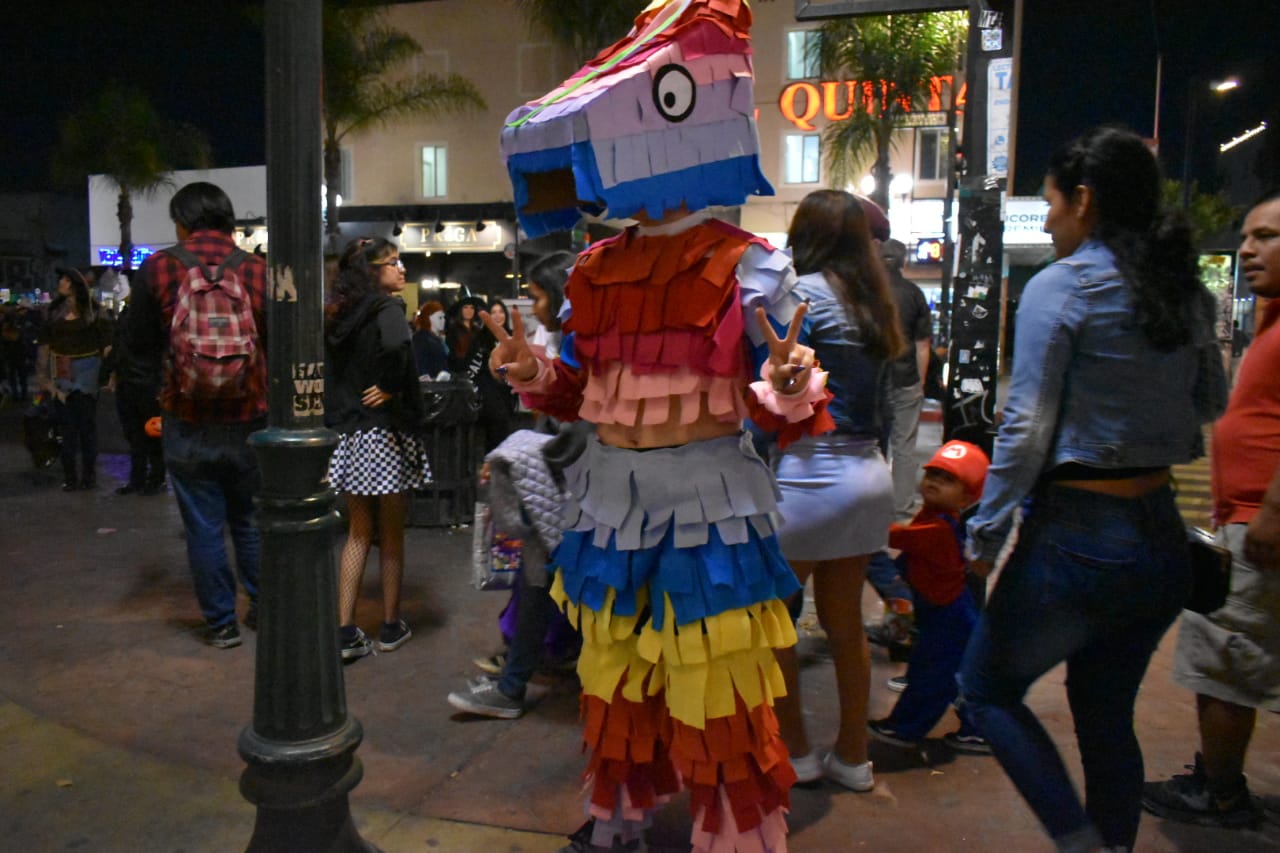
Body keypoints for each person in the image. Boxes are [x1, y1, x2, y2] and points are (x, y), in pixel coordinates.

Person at [957, 127, 1226, 853]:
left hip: (1078, 538)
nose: (1046, 219)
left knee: (984, 689)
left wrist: (983, 536)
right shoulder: (1185, 292)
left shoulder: (1063, 286)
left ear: (1084, 198)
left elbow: (1025, 429)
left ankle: (1080, 844)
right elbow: (1208, 401)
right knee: (1106, 714)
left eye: (1050, 201)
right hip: (1159, 539)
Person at [1142, 188, 1280, 829]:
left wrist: (1273, 511)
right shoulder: (1273, 318)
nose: (1249, 249)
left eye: (1267, 237)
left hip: (1263, 520)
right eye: (1248, 236)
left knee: (1225, 652)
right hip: (1249, 513)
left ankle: (1221, 791)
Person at [768, 190, 903, 793]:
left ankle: (794, 749)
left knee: (770, 620)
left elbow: (774, 389)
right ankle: (854, 756)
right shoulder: (876, 302)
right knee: (847, 621)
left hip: (808, 476)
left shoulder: (800, 296)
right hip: (869, 474)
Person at [124, 181, 268, 649]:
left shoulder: (159, 268)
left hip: (185, 417)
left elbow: (137, 351)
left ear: (182, 222)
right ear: (229, 221)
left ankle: (221, 623)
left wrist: (153, 408)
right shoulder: (257, 270)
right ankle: (262, 608)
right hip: (249, 417)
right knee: (249, 518)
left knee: (203, 526)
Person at [324, 237, 432, 661]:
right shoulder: (388, 308)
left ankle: (345, 630)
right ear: (373, 271)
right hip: (385, 435)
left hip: (351, 435)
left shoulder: (341, 314)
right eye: (392, 263)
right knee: (391, 534)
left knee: (356, 532)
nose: (401, 269)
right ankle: (390, 625)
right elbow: (395, 345)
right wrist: (389, 386)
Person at [867, 440, 991, 755]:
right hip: (946, 612)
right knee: (957, 678)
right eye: (932, 473)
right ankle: (977, 730)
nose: (934, 481)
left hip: (947, 617)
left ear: (967, 497)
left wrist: (856, 521)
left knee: (931, 676)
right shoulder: (934, 516)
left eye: (948, 479)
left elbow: (896, 537)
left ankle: (906, 728)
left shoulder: (937, 529)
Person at [36, 267, 112, 491]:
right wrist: (44, 379)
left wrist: (109, 374)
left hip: (88, 373)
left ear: (75, 285)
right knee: (66, 429)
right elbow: (44, 347)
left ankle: (88, 477)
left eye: (66, 279)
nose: (61, 282)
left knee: (86, 428)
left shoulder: (95, 312)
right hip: (62, 374)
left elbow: (107, 345)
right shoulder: (52, 313)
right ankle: (70, 477)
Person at [881, 237, 933, 518]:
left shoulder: (866, 293)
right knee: (904, 446)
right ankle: (901, 507)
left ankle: (871, 505)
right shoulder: (914, 293)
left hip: (872, 380)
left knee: (872, 444)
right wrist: (920, 382)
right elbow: (922, 346)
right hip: (906, 377)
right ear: (903, 262)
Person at [106, 299, 165, 495]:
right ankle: (139, 478)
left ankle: (155, 477)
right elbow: (118, 346)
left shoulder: (152, 316)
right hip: (130, 380)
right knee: (134, 434)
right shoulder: (127, 315)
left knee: (151, 433)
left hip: (146, 381)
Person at [466, 298, 520, 453]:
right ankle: (492, 463)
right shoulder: (481, 338)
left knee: (505, 427)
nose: (497, 316)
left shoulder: (512, 337)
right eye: (493, 312)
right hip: (488, 388)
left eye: (501, 312)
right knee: (497, 425)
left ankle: (499, 464)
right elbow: (474, 366)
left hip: (508, 390)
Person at [445, 296, 483, 373]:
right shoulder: (453, 329)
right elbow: (452, 352)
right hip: (459, 370)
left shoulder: (477, 330)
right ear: (460, 310)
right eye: (465, 307)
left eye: (472, 308)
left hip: (477, 369)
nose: (469, 310)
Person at [411, 299, 448, 378]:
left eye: (443, 317)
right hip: (431, 383)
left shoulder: (436, 338)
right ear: (428, 318)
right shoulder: (421, 338)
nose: (443, 320)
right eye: (439, 317)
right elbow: (419, 362)